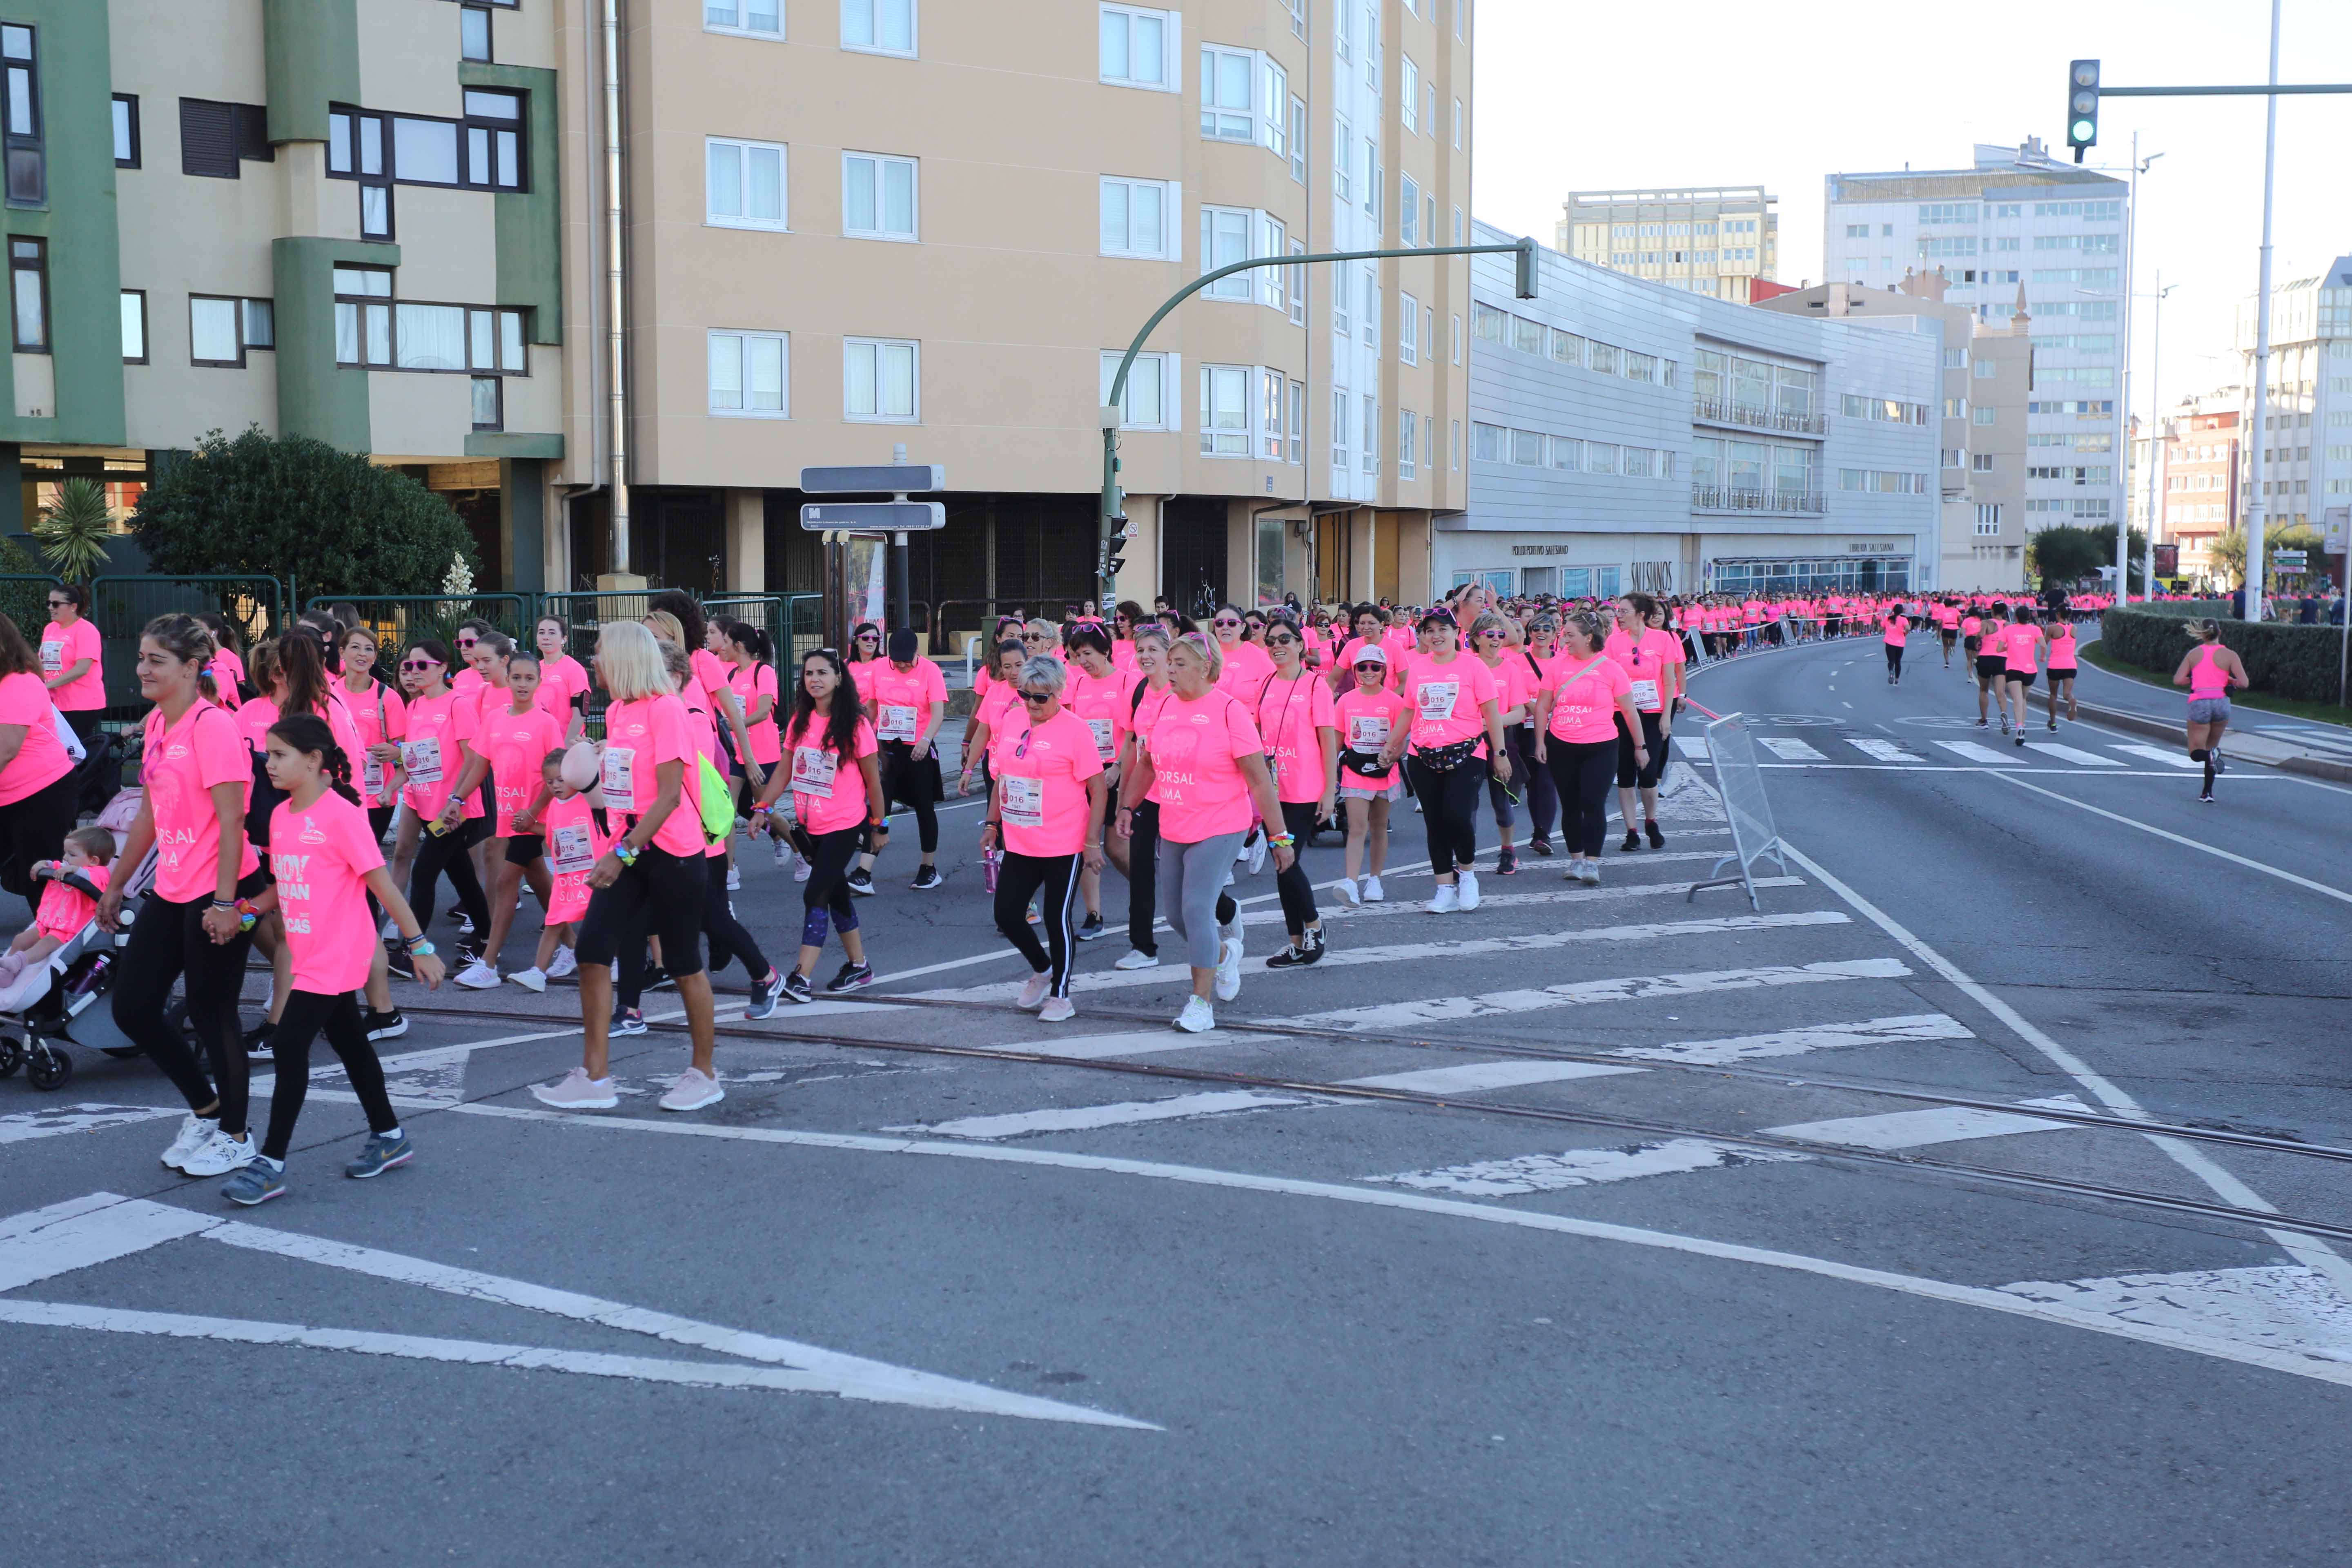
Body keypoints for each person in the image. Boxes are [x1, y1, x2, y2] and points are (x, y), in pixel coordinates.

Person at [219, 713, 447, 1205]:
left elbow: (382, 885)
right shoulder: (281, 817)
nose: (269, 764)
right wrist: (244, 912)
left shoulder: (342, 815)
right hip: (307, 950)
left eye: (279, 755)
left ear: (315, 759)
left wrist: (420, 946)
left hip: (340, 952)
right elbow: (287, 885)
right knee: (349, 1042)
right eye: (269, 754)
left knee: (289, 1046)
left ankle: (272, 1163)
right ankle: (389, 1136)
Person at [98, 614, 269, 1178]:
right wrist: (118, 881)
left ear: (193, 668)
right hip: (173, 885)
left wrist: (224, 906)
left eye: (156, 660)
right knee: (134, 1006)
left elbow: (232, 818)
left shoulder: (211, 726)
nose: (142, 668)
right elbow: (149, 810)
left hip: (224, 887)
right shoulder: (156, 725)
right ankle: (207, 1110)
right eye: (142, 658)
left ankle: (237, 1135)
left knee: (211, 1009)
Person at [531, 623, 726, 1111]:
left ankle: (704, 1074)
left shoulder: (668, 709)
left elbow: (668, 796)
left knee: (683, 964)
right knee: (592, 952)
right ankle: (594, 1078)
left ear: (621, 658)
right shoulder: (618, 711)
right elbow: (625, 791)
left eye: (597, 654)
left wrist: (621, 854)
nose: (592, 662)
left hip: (673, 853)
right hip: (630, 848)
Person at [1115, 634, 1291, 1032]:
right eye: (1170, 662)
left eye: (1179, 663)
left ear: (1205, 668)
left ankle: (1201, 1004)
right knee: (1178, 916)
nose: (1170, 670)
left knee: (1196, 909)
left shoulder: (1230, 712)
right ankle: (1226, 953)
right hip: (1175, 823)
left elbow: (1260, 782)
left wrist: (1280, 838)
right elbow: (1147, 765)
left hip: (1221, 824)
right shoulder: (1163, 706)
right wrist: (1128, 806)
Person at [751, 648, 884, 1001]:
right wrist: (763, 806)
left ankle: (801, 977)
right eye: (809, 674)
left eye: (823, 673)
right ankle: (859, 966)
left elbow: (873, 780)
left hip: (845, 823)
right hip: (812, 825)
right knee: (837, 893)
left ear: (839, 678)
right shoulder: (801, 720)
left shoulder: (855, 723)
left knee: (816, 893)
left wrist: (879, 825)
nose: (815, 680)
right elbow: (784, 769)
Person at [981, 655, 1105, 1021]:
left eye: (1041, 698)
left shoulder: (1075, 729)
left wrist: (1092, 841)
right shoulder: (1013, 719)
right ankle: (1042, 967)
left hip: (1063, 842)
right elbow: (1003, 777)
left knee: (1056, 917)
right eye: (1026, 695)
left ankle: (1061, 996)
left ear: (1059, 695)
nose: (1032, 704)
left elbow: (1098, 791)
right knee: (1006, 913)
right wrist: (991, 824)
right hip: (1020, 838)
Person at [1377, 609, 1507, 914]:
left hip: (1467, 754)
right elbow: (1409, 711)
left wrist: (1500, 754)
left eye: (1443, 630)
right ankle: (1444, 889)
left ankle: (1468, 876)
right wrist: (1391, 745)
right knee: (1434, 823)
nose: (1436, 636)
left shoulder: (1474, 667)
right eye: (1430, 630)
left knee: (1458, 816)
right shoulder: (1419, 668)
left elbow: (1491, 713)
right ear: (1422, 636)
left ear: (1456, 632)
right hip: (1423, 755)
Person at [463, 647, 564, 987]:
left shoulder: (547, 723)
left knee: (507, 882)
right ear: (507, 679)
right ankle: (574, 947)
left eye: (529, 678)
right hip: (507, 817)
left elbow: (557, 776)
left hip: (533, 817)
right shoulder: (494, 719)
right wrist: (456, 798)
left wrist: (533, 812)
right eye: (517, 677)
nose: (523, 684)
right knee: (539, 879)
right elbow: (480, 765)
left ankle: (488, 963)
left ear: (539, 681)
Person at [392, 638, 492, 974]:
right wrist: (391, 789)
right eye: (409, 665)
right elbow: (413, 758)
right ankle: (487, 937)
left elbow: (475, 759)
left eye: (423, 665)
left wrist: (456, 800)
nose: (414, 671)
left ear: (443, 668)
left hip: (453, 811)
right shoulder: (415, 706)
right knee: (462, 876)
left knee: (424, 874)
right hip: (425, 808)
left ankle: (413, 952)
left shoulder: (457, 705)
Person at [1534, 612, 1646, 886]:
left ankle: (1592, 863)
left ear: (1589, 637)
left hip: (1601, 746)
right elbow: (1542, 706)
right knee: (1570, 805)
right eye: (1565, 634)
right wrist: (1540, 741)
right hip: (1561, 744)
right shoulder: (1557, 667)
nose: (1565, 640)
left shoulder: (1611, 669)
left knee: (1593, 803)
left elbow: (1630, 712)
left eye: (1571, 635)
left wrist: (1640, 746)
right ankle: (1576, 859)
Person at [1253, 615, 1336, 967]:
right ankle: (1296, 941)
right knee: (1281, 863)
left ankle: (1315, 925)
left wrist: (1330, 793)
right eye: (1271, 641)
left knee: (1289, 861)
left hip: (1304, 788)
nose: (1277, 646)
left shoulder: (1317, 687)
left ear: (1301, 645)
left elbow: (1328, 744)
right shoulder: (1265, 683)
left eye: (1285, 640)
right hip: (1272, 790)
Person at [853, 628, 947, 894]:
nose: (903, 665)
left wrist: (926, 740)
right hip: (887, 749)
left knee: (924, 809)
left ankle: (929, 868)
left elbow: (939, 712)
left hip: (919, 749)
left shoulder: (930, 671)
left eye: (907, 660)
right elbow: (872, 706)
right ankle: (864, 871)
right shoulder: (881, 668)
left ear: (917, 653)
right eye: (898, 661)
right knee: (881, 809)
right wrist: (863, 735)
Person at [0, 612, 82, 904]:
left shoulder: (18, 683)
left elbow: (6, 749)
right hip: (10, 796)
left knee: (39, 876)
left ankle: (53, 942)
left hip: (41, 793)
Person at [1107, 625, 1175, 970]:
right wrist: (1124, 803)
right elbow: (1132, 747)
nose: (1146, 656)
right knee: (1142, 866)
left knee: (1187, 874)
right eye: (1141, 650)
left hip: (1182, 792)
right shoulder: (1138, 693)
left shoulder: (1183, 692)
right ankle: (1143, 947)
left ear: (1168, 653)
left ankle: (1227, 910)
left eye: (1153, 649)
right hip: (1147, 794)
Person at [1060, 622, 1128, 939]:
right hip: (1086, 775)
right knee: (1087, 843)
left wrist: (1116, 766)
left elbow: (1134, 733)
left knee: (1116, 849)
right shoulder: (1079, 685)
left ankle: (1146, 888)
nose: (1083, 661)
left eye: (1087, 653)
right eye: (1077, 655)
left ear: (1105, 651)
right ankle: (1094, 914)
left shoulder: (1128, 681)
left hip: (1117, 774)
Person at [510, 747, 592, 991]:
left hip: (590, 875)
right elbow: (551, 834)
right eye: (549, 782)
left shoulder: (588, 801)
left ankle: (617, 962)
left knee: (604, 919)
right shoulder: (557, 805)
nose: (555, 786)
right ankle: (538, 972)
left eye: (560, 780)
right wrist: (527, 828)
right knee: (553, 920)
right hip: (566, 877)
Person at [0, 827, 111, 1005]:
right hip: (49, 922)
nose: (66, 858)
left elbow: (89, 878)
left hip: (68, 930)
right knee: (21, 939)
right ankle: (5, 970)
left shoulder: (99, 873)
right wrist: (43, 865)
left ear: (94, 860)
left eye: (72, 854)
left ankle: (17, 963)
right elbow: (54, 865)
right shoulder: (68, 867)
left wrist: (75, 871)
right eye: (65, 853)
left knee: (44, 945)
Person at [1332, 645, 1407, 906]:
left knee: (1378, 827)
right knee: (1356, 828)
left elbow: (1403, 741)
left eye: (1375, 667)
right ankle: (1351, 882)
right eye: (1362, 667)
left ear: (1384, 670)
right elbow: (1337, 740)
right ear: (1355, 671)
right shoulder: (1346, 700)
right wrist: (1330, 774)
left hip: (1385, 772)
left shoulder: (1396, 702)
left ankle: (1375, 879)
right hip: (1354, 772)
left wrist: (1394, 755)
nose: (1369, 672)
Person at [1605, 594, 1678, 851]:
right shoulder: (1613, 642)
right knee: (1624, 774)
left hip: (1653, 713)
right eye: (1618, 611)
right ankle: (1631, 831)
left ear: (1640, 614)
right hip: (1621, 714)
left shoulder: (1663, 639)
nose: (1619, 615)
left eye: (1624, 611)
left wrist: (1666, 716)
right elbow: (1607, 679)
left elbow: (1669, 681)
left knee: (1648, 774)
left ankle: (1651, 821)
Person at [1468, 613, 1534, 878]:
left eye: (1500, 635)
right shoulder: (1467, 666)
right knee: (1468, 802)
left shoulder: (1511, 669)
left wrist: (1491, 723)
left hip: (1503, 740)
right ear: (1476, 639)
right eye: (1489, 635)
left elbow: (1520, 712)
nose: (1496, 640)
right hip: (1469, 741)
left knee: (1501, 802)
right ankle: (1465, 854)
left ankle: (1508, 851)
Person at [2174, 619, 2249, 803]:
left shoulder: (2194, 655)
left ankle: (2209, 762)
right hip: (2222, 703)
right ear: (2220, 633)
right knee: (2211, 748)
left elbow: (2178, 680)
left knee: (2196, 752)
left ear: (2202, 634)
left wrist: (2194, 680)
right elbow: (2244, 683)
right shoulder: (2230, 655)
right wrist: (2231, 682)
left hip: (2200, 702)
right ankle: (2207, 793)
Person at [40, 582, 105, 746]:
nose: (50, 608)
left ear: (73, 607)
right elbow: (42, 659)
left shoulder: (86, 631)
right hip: (55, 702)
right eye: (49, 603)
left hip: (81, 705)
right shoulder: (50, 629)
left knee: (75, 751)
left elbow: (82, 668)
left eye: (56, 604)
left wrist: (49, 685)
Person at [533, 615, 591, 744]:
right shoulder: (535, 668)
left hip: (564, 745)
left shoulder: (574, 669)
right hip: (539, 743)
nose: (546, 637)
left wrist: (566, 748)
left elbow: (580, 712)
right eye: (542, 632)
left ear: (564, 639)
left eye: (552, 633)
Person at [1998, 602, 2044, 746]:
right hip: (2030, 669)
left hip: (2013, 668)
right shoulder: (2035, 630)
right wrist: (2043, 657)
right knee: (2023, 699)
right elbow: (2043, 645)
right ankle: (2022, 725)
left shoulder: (2009, 630)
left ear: (2016, 617)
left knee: (2017, 700)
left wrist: (2010, 645)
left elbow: (1999, 649)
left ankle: (2019, 727)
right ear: (2029, 617)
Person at [2043, 615, 2079, 729]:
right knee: (2067, 693)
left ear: (2058, 615)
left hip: (2055, 665)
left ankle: (2053, 723)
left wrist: (2043, 656)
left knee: (2054, 695)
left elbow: (2044, 644)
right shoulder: (2074, 628)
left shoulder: (2052, 628)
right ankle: (2071, 700)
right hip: (2070, 665)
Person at [1882, 604, 1910, 684]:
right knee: (1898, 662)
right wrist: (1906, 633)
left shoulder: (1887, 618)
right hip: (1900, 643)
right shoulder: (1904, 620)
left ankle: (1891, 671)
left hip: (1889, 642)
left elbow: (1882, 627)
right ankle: (1897, 679)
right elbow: (1908, 628)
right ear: (1902, 611)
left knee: (1891, 661)